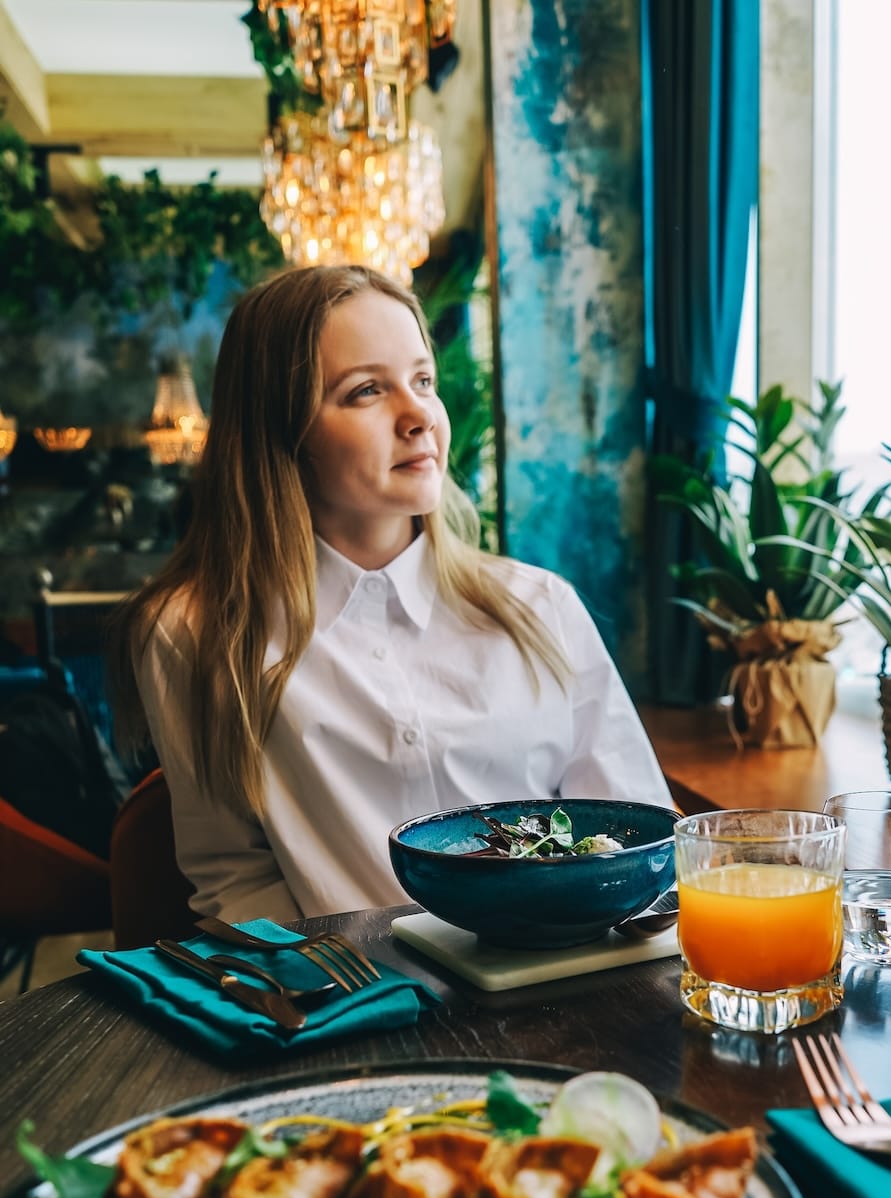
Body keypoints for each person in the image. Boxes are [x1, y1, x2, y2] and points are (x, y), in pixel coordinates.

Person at [112, 265, 675, 923]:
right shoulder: (192, 632)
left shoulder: (540, 606)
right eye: (366, 391)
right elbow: (234, 877)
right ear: (282, 429)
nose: (418, 416)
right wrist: (343, 979)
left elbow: (643, 847)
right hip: (354, 983)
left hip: (566, 969)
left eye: (423, 381)